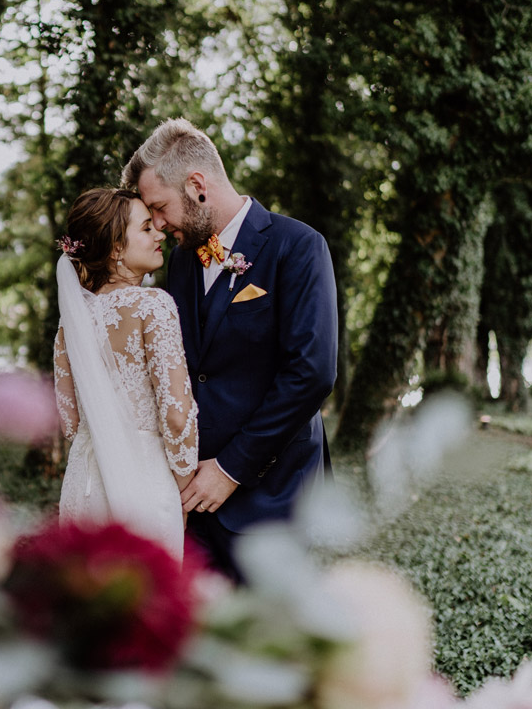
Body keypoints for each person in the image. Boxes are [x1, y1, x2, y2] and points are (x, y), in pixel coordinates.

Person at [121, 118, 337, 582]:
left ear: (197, 186)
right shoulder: (180, 260)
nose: (157, 224)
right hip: (193, 500)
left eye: (159, 207)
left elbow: (312, 372)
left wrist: (231, 468)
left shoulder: (298, 246)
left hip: (275, 494)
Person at [53, 187, 199, 563]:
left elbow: (71, 422)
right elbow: (177, 414)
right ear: (116, 248)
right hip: (146, 482)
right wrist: (184, 489)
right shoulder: (154, 306)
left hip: (83, 483)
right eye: (147, 228)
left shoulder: (68, 326)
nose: (160, 235)